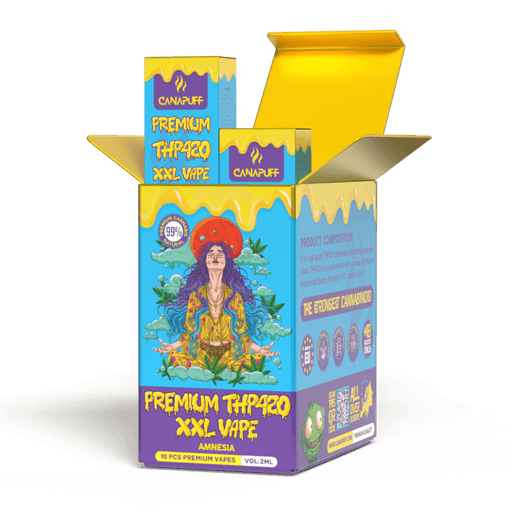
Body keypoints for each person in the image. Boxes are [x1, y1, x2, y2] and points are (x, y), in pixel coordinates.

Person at [153, 216, 279, 371]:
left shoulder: (235, 298)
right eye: (210, 253)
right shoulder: (195, 297)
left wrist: (260, 349)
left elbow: (242, 335)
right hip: (202, 356)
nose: (215, 257)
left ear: (226, 261)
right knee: (174, 357)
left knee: (257, 360)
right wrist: (171, 346)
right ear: (204, 261)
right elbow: (188, 334)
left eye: (220, 253)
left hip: (229, 356)